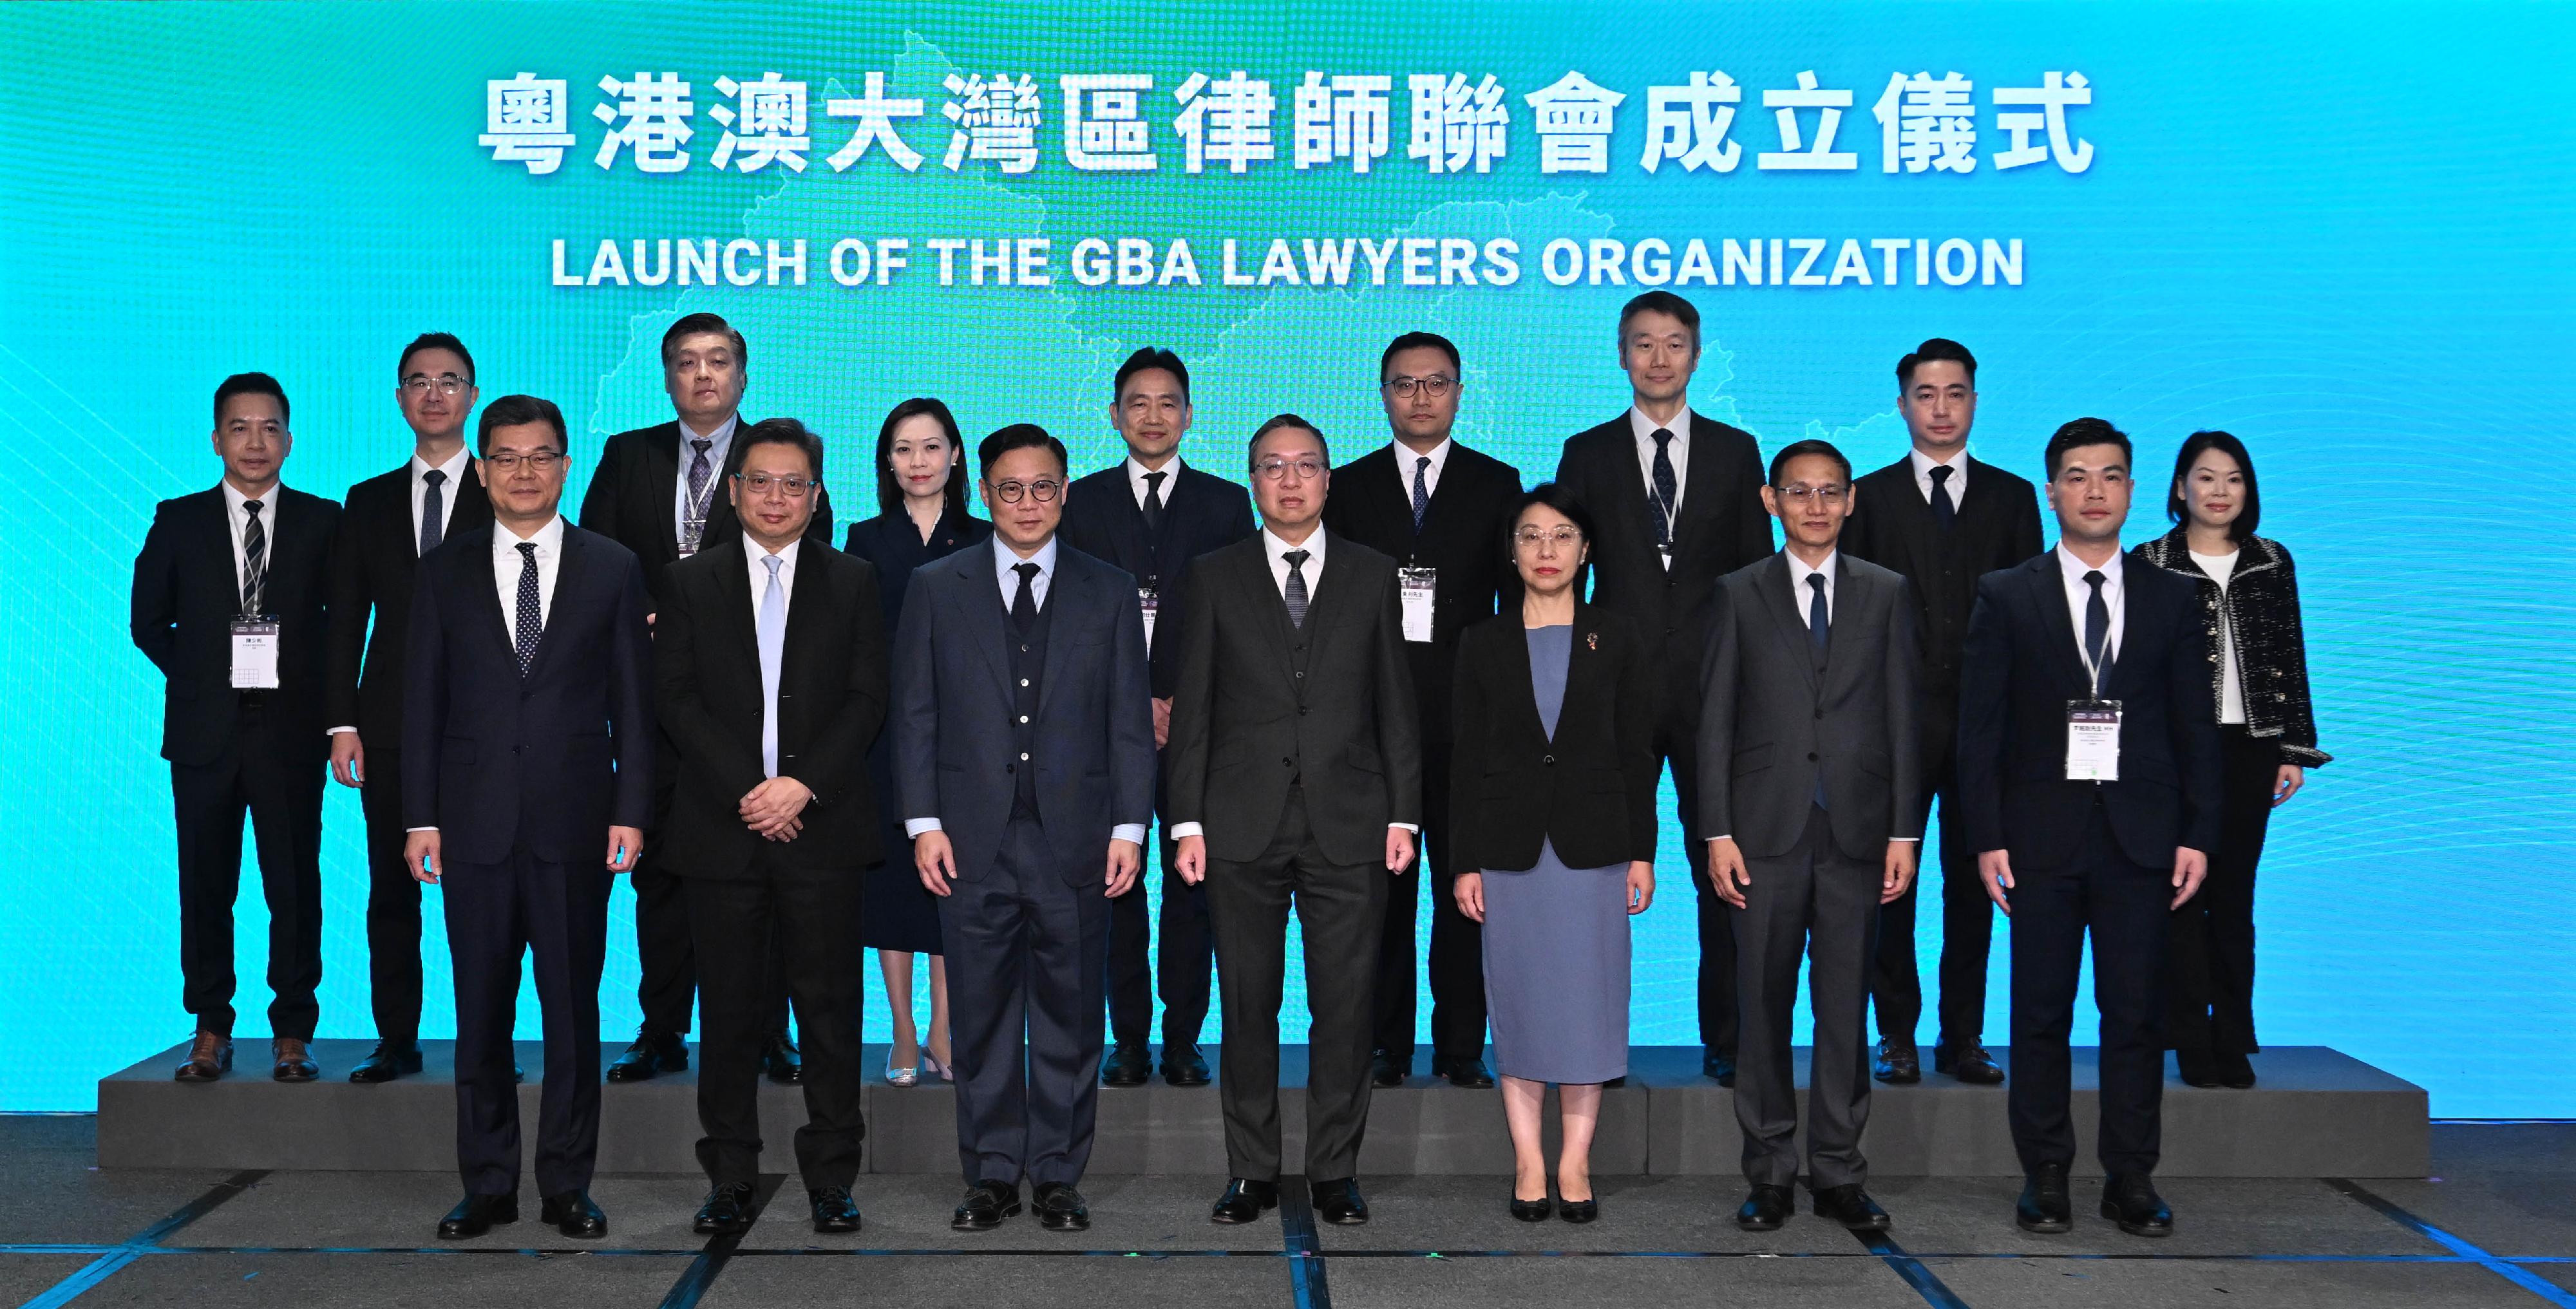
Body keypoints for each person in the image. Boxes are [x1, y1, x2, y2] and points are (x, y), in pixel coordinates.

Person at [1957, 417, 2221, 1239]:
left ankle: (2130, 1176)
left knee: (2134, 1013)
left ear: (2133, 490)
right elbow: (1980, 728)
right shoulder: (2007, 592)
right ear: (2051, 492)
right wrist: (1985, 835)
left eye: (2110, 475)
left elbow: (2195, 726)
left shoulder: (2173, 596)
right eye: (2077, 475)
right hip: (2037, 836)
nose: (2094, 490)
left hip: (2143, 836)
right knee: (2039, 1012)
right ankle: (2044, 1171)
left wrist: (2198, 833)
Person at [893, 424, 1156, 1234]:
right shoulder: (936, 585)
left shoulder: (1109, 588)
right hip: (968, 839)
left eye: (1044, 487)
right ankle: (992, 1172)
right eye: (1011, 488)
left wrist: (1130, 828)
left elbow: (1128, 722)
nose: (1028, 502)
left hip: (1077, 840)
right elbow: (915, 712)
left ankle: (1059, 1174)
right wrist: (923, 822)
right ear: (984, 494)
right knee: (981, 1017)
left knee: (1072, 1017)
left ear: (1065, 492)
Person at [404, 394, 653, 1240]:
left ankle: (566, 1184)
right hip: (471, 825)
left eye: (540, 456)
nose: (523, 472)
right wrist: (420, 817)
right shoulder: (442, 568)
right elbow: (421, 704)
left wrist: (631, 809)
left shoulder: (612, 565)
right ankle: (487, 1184)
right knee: (480, 1012)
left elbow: (634, 703)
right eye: (506, 457)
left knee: (571, 1013)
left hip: (576, 823)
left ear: (565, 465)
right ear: (481, 470)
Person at [1167, 415, 1423, 1229]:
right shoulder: (1214, 574)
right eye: (1272, 466)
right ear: (1252, 481)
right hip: (1238, 824)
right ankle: (1250, 1169)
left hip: (1352, 821)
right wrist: (1185, 822)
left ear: (1327, 478)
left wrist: (1405, 812)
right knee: (1247, 1004)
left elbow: (1395, 703)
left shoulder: (1372, 572)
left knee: (1344, 1006)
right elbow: (1193, 708)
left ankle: (1335, 1169)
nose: (1289, 480)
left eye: (1305, 465)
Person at [580, 312, 831, 1085]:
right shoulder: (628, 455)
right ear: (666, 376)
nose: (703, 374)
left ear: (742, 374)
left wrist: (699, 621)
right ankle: (660, 1028)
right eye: (686, 361)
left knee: (765, 868)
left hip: (757, 709)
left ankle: (769, 1031)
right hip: (656, 704)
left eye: (718, 360)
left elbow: (812, 564)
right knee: (660, 873)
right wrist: (648, 618)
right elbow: (593, 557)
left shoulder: (779, 458)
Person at [656, 419, 887, 1236]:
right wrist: (752, 791)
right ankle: (729, 1174)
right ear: (733, 490)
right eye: (760, 481)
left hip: (822, 829)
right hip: (722, 830)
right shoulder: (689, 581)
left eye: (794, 484)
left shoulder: (854, 580)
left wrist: (800, 787)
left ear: (817, 495)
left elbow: (867, 697)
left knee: (829, 1011)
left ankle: (832, 1176)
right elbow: (676, 698)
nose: (777, 497)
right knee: (727, 1014)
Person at [1698, 440, 1922, 1233]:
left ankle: (1837, 1171)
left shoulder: (1887, 592)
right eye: (1799, 491)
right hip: (1763, 832)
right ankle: (1768, 1171)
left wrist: (1905, 831)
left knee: (1843, 1005)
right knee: (1761, 1005)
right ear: (1771, 500)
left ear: (1851, 500)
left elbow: (1905, 717)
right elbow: (1714, 720)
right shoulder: (1737, 592)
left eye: (1830, 491)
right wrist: (1717, 830)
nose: (1816, 506)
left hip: (1858, 830)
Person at [1554, 290, 1772, 1084]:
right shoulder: (1586, 452)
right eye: (1642, 343)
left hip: (1716, 693)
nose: (1658, 358)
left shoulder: (1737, 452)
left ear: (1696, 354)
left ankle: (1730, 1037)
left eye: (1673, 343)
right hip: (1614, 692)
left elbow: (1755, 578)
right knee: (1597, 868)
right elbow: (1562, 576)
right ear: (1621, 355)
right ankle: (1588, 1038)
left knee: (1726, 868)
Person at [1449, 486, 1656, 1224]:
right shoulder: (1482, 641)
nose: (1546, 549)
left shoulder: (1617, 636)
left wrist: (1642, 851)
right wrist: (1463, 859)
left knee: (1587, 1004)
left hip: (1594, 849)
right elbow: (1465, 759)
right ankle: (1528, 1162)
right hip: (1509, 853)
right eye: (1531, 535)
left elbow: (1637, 752)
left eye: (1562, 534)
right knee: (1523, 1002)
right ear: (1511, 551)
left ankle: (1574, 1161)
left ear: (1585, 549)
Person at [1322, 332, 1521, 1091]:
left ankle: (1461, 1044)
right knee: (1383, 894)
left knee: (1465, 888)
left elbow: (1515, 610)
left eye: (1436, 383)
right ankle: (1386, 1043)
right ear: (1382, 395)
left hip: (1468, 722)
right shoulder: (1349, 485)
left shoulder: (1497, 483)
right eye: (1404, 384)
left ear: (1459, 393)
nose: (1420, 397)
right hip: (1371, 725)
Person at [1842, 338, 2041, 1088]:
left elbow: (2031, 615)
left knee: (1975, 881)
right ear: (1901, 405)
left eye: (1955, 393)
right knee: (1888, 883)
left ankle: (1964, 1035)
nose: (1940, 408)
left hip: (1987, 724)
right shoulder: (1868, 496)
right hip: (1892, 722)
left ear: (1975, 402)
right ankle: (1894, 1032)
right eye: (1925, 395)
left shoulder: (2012, 497)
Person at [131, 372, 340, 1084]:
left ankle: (293, 1030)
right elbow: (148, 622)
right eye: (241, 427)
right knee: (205, 884)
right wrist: (205, 674)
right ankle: (211, 1027)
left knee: (294, 885)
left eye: (270, 427)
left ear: (290, 440)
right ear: (216, 439)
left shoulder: (324, 521)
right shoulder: (178, 519)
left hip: (291, 732)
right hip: (205, 732)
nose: (256, 441)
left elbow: (341, 625)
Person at [1059, 347, 1256, 1089]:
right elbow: (1069, 620)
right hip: (1102, 728)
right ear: (1114, 415)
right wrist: (1130, 701)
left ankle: (1182, 1037)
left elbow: (1238, 619)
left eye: (1167, 402)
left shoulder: (1225, 504)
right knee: (1115, 884)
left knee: (1191, 883)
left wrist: (1182, 702)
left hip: (1195, 729)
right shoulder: (1080, 502)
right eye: (1137, 403)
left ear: (1189, 414)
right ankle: (1128, 1037)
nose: (1152, 415)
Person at [2134, 431, 2329, 1089]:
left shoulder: (2271, 560)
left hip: (2251, 746)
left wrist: (2293, 747)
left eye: (2233, 478)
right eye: (2206, 477)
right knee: (2179, 892)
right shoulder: (2151, 561)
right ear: (2179, 487)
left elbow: (2291, 653)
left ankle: (2233, 1033)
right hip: (2174, 749)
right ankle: (2188, 1031)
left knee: (2234, 892)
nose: (2219, 491)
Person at [326, 334, 495, 1084]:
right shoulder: (366, 500)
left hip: (484, 724)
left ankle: (486, 1043)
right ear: (399, 398)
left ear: (472, 395)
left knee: (483, 895)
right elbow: (345, 621)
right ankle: (396, 1038)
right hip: (390, 723)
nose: (434, 393)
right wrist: (342, 722)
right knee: (391, 888)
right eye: (418, 381)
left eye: (449, 380)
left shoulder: (505, 487)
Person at [843, 398, 988, 1086]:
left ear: (956, 455)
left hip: (970, 735)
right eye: (904, 449)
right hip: (886, 735)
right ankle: (902, 1027)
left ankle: (944, 1028)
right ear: (888, 462)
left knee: (955, 880)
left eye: (932, 447)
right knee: (895, 885)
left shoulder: (986, 536)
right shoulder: (865, 537)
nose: (919, 462)